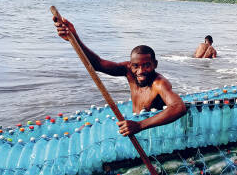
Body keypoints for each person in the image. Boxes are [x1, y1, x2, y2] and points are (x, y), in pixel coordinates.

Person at [54, 17, 187, 137]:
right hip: (134, 127)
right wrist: (74, 37)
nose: (141, 71)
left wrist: (140, 125)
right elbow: (98, 64)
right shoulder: (128, 71)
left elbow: (178, 107)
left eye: (146, 65)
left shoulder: (159, 83)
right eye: (136, 66)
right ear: (130, 65)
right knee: (86, 128)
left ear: (155, 64)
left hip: (152, 132)